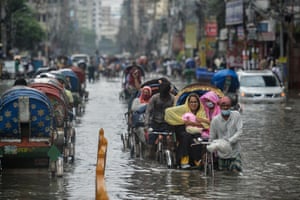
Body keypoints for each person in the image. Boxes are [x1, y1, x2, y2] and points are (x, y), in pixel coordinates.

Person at [165, 93, 209, 169]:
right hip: (183, 132)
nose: (193, 104)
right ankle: (184, 160)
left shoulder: (201, 112)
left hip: (196, 132)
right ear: (188, 103)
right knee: (186, 136)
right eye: (191, 102)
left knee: (198, 138)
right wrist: (183, 121)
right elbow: (168, 112)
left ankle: (197, 160)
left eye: (195, 102)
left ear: (198, 103)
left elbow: (205, 125)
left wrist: (193, 123)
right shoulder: (183, 110)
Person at [209, 96, 243, 173]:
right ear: (220, 107)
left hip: (235, 152)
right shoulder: (215, 120)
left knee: (235, 171)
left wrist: (229, 141)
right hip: (222, 154)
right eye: (223, 106)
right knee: (224, 175)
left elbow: (239, 132)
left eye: (227, 106)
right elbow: (212, 137)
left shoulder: (236, 115)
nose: (225, 107)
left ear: (230, 106)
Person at [144, 81, 175, 147]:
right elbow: (148, 111)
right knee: (151, 143)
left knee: (170, 141)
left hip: (167, 123)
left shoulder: (173, 99)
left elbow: (175, 111)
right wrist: (146, 125)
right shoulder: (154, 98)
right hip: (155, 123)